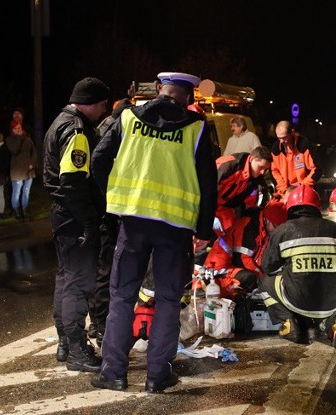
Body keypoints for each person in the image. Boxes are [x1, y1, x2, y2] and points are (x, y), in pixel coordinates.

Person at [90, 71, 217, 393]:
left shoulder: (129, 118)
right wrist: (204, 228)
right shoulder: (197, 129)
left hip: (132, 223)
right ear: (189, 97)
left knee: (121, 297)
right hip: (174, 228)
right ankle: (157, 375)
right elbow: (207, 183)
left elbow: (99, 159)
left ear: (161, 89)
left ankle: (113, 373)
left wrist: (113, 198)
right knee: (168, 300)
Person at [43, 76, 110, 372]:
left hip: (62, 215)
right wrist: (87, 222)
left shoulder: (60, 121)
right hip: (74, 218)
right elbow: (72, 182)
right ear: (92, 103)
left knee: (65, 280)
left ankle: (65, 343)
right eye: (103, 105)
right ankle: (77, 352)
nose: (105, 111)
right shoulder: (77, 130)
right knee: (77, 285)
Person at [258, 185, 336, 349]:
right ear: (317, 207)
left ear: (289, 207)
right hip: (331, 301)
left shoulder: (282, 231)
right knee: (319, 298)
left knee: (264, 281)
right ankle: (333, 320)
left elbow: (268, 267)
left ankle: (287, 320)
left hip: (298, 301)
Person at [87, 97, 136, 346]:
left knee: (101, 268)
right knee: (107, 269)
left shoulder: (103, 128)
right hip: (110, 211)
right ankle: (100, 324)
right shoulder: (117, 133)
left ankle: (97, 322)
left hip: (102, 210)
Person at [203, 200, 287, 299]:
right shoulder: (249, 226)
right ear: (267, 220)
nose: (278, 231)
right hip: (216, 273)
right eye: (276, 226)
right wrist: (263, 279)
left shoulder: (263, 229)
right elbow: (241, 259)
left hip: (229, 269)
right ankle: (235, 300)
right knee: (250, 278)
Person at [215, 145, 273, 233]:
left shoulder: (256, 177)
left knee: (231, 234)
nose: (262, 172)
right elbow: (207, 190)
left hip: (224, 208)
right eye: (261, 167)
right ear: (251, 159)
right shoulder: (229, 166)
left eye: (265, 170)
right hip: (206, 204)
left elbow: (250, 202)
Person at [269, 120, 318, 198]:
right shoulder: (276, 150)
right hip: (284, 193)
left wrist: (302, 187)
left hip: (304, 192)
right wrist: (285, 190)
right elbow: (274, 171)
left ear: (292, 132)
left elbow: (316, 169)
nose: (281, 141)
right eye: (279, 138)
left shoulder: (304, 146)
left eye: (284, 137)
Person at [7, 120, 37, 220]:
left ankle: (25, 210)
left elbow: (34, 151)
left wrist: (32, 163)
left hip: (29, 170)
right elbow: (15, 149)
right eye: (16, 128)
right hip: (17, 171)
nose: (18, 130)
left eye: (19, 127)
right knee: (16, 192)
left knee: (26, 191)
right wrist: (19, 137)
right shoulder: (10, 139)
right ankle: (16, 211)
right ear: (12, 129)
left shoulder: (28, 138)